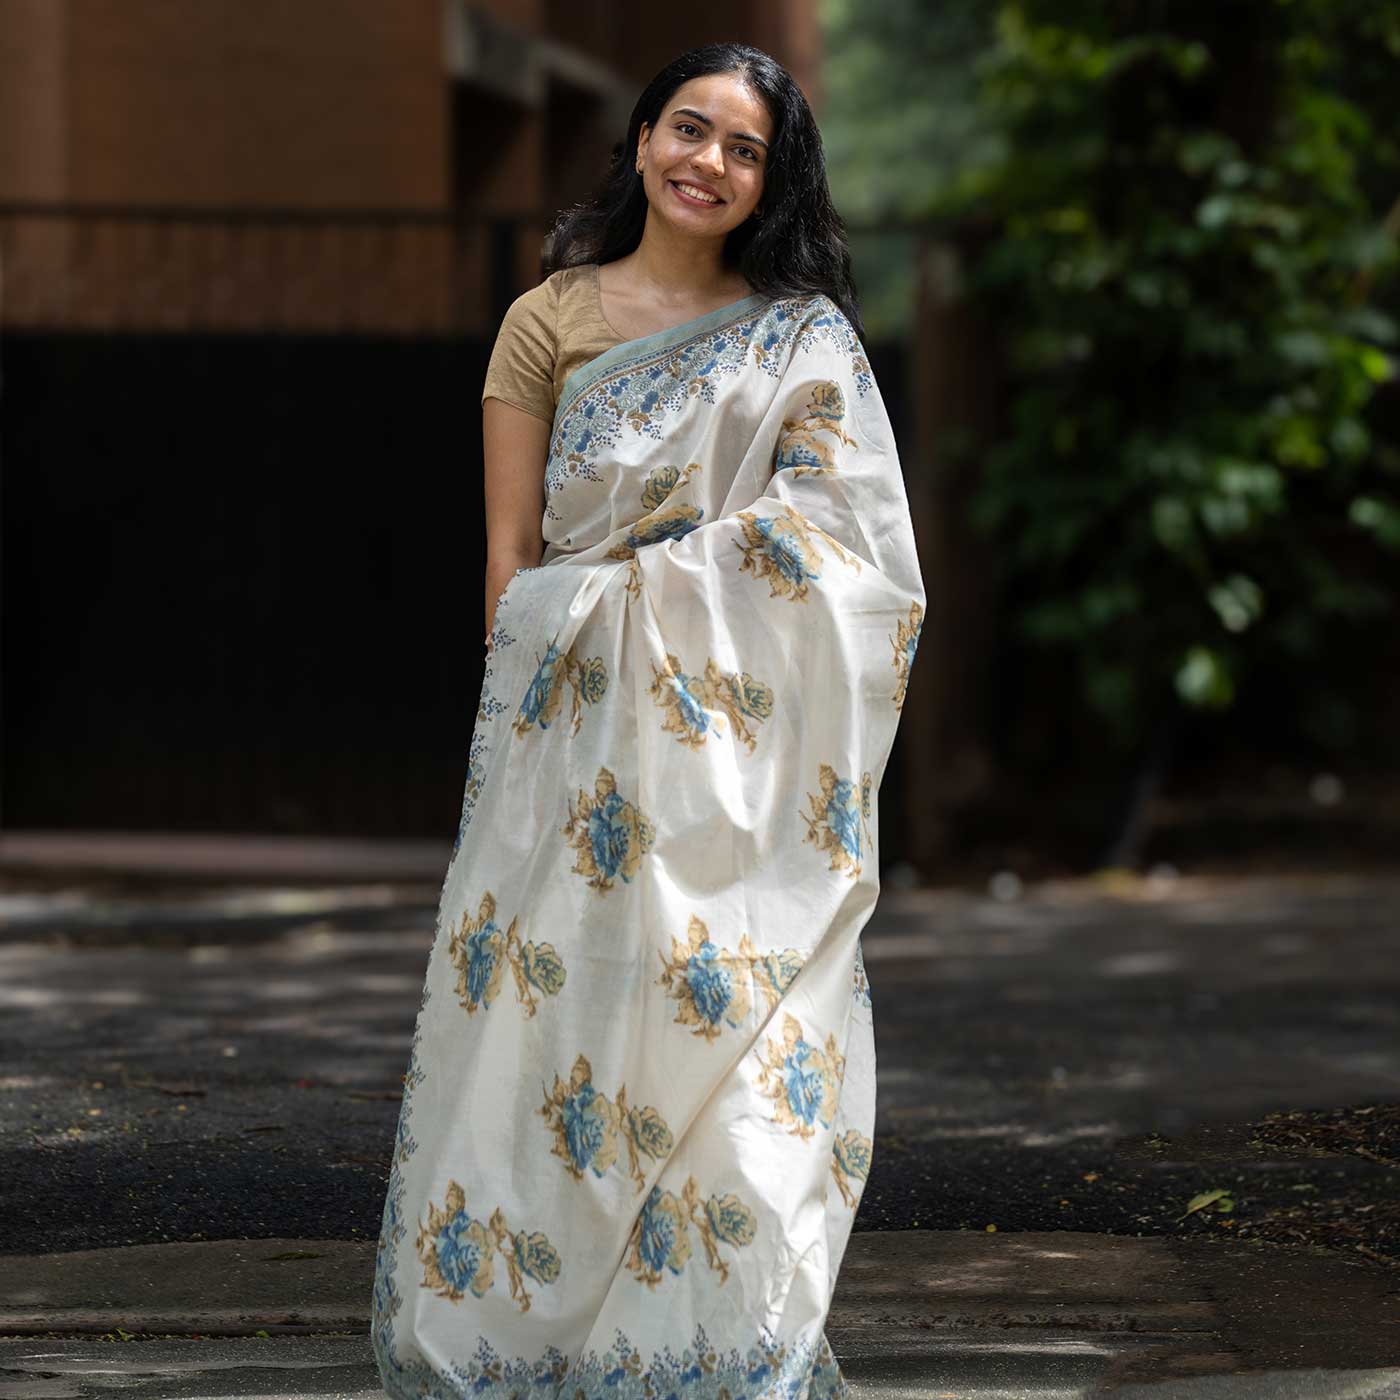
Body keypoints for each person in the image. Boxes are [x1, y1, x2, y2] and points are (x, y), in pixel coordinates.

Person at [371, 39, 924, 1399]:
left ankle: (718, 1346)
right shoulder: (547, 320)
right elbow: (513, 561)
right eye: (690, 129)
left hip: (740, 759)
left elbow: (853, 550)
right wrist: (543, 694)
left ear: (770, 182)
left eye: (745, 150)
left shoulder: (801, 341)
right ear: (640, 138)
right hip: (577, 728)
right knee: (565, 1020)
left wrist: (672, 591)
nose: (709, 163)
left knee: (739, 1022)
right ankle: (540, 1333)